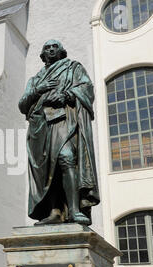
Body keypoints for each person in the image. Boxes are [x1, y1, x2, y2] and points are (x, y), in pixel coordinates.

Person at [18, 39, 100, 226]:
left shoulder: (72, 68)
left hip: (64, 120)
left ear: (62, 51)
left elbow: (86, 87)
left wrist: (67, 95)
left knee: (66, 157)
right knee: (49, 169)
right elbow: (23, 105)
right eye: (47, 47)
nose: (52, 49)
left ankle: (74, 210)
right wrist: (38, 90)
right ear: (43, 54)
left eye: (55, 47)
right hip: (40, 126)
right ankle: (55, 211)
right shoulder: (36, 79)